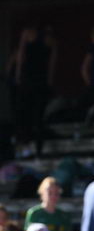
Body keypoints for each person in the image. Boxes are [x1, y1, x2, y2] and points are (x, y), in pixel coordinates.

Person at [13, 25, 56, 156]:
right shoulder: (49, 40)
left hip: (30, 81)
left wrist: (18, 74)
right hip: (38, 81)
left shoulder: (29, 34)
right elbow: (51, 65)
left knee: (27, 115)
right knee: (36, 117)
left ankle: (29, 146)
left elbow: (21, 56)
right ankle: (35, 149)